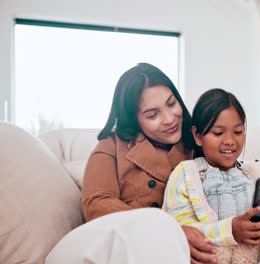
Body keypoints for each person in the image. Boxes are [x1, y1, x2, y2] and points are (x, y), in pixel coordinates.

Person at [46, 63, 217, 264]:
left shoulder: (199, 141)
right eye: (152, 115)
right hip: (126, 244)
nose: (169, 119)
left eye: (171, 104)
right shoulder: (111, 146)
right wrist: (172, 231)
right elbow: (97, 203)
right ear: (134, 120)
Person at [162, 89, 260, 264]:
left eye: (238, 131)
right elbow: (180, 231)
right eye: (218, 133)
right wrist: (230, 231)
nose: (230, 141)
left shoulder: (256, 174)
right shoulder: (187, 174)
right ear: (198, 135)